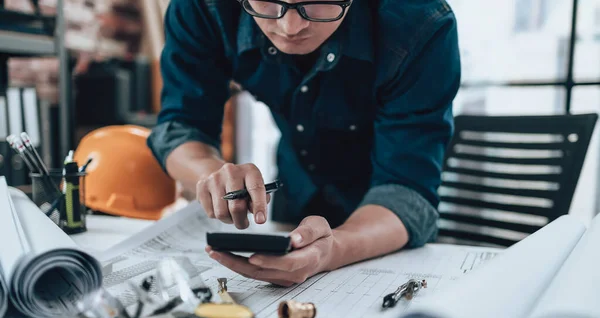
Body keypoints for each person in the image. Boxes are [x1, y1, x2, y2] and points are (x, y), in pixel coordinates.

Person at [147, 0, 461, 286]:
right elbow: (181, 127)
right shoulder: (203, 7)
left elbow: (407, 188)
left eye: (319, 2)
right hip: (294, 196)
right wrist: (210, 173)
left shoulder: (421, 23)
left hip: (386, 229)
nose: (290, 27)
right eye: (268, 2)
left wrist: (332, 249)